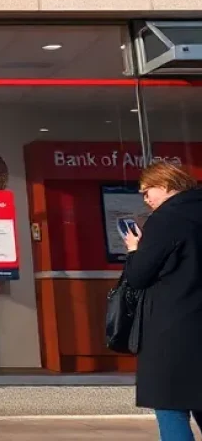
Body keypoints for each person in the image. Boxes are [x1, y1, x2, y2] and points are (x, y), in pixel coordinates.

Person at [120, 161, 202, 441]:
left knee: (171, 406)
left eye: (147, 191)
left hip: (173, 329)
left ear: (166, 185)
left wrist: (133, 250)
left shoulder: (166, 219)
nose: (146, 199)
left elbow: (139, 276)